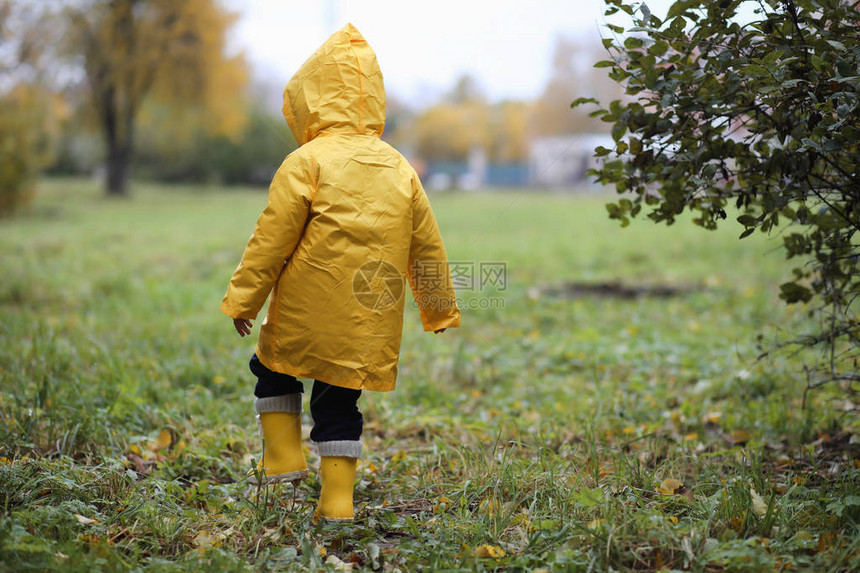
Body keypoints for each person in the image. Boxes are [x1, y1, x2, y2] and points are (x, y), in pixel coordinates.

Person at [220, 23, 461, 523]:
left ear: (311, 100)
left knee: (271, 369)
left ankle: (283, 458)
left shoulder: (306, 161)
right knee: (339, 404)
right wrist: (438, 308)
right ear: (372, 99)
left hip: (303, 313)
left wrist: (244, 300)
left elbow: (271, 240)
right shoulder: (399, 168)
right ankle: (337, 504)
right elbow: (427, 247)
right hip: (365, 324)